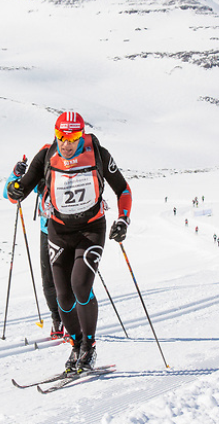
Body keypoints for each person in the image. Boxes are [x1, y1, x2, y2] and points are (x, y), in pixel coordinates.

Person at [7, 111, 132, 373]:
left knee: (80, 286)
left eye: (72, 137)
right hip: (59, 231)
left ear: (81, 135)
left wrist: (123, 219)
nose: (66, 143)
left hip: (91, 229)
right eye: (61, 136)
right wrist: (13, 189)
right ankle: (75, 345)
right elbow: (21, 190)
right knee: (63, 296)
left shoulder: (98, 153)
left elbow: (123, 189)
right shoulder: (46, 154)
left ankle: (89, 346)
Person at [3, 156, 64, 339]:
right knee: (49, 282)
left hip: (70, 232)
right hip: (47, 233)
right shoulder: (41, 179)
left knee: (69, 280)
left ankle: (74, 321)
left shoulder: (71, 175)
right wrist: (16, 174)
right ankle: (57, 319)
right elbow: (11, 195)